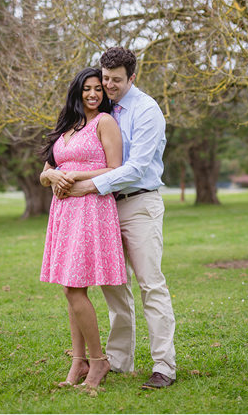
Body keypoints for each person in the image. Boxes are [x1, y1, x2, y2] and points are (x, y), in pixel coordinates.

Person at [53, 47, 176, 389]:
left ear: (132, 77)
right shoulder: (101, 108)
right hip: (104, 207)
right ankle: (119, 361)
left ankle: (164, 366)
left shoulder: (147, 110)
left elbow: (135, 167)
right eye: (105, 79)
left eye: (116, 80)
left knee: (151, 285)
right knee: (113, 287)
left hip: (138, 205)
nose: (108, 85)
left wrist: (88, 185)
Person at [39, 67, 126, 389]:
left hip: (91, 208)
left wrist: (72, 175)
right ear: (77, 91)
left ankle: (99, 362)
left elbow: (116, 168)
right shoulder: (67, 127)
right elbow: (46, 171)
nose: (93, 94)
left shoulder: (105, 122)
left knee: (74, 288)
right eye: (87, 89)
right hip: (64, 211)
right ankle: (79, 361)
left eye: (98, 90)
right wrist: (52, 177)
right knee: (69, 286)